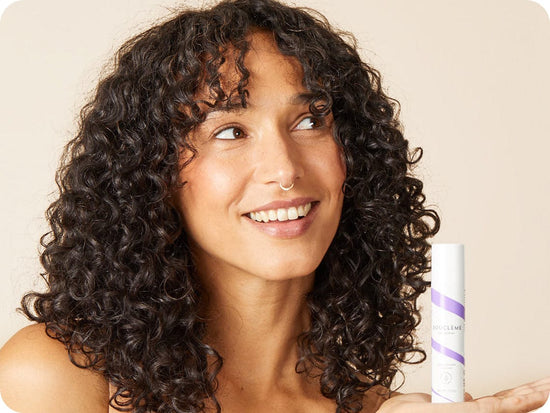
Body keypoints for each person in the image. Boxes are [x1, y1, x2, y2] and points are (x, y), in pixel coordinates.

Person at [0, 0, 548, 412]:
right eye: (230, 130)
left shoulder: (369, 405)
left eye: (310, 122)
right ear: (152, 172)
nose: (285, 169)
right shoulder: (57, 378)